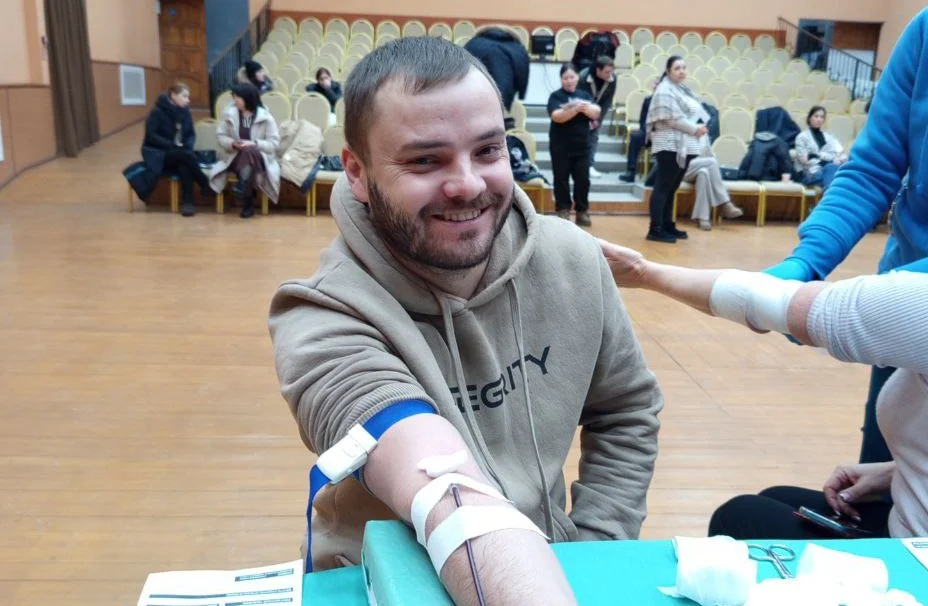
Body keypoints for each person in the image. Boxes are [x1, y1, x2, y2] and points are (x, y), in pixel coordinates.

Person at [268, 38, 663, 605]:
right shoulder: (321, 315)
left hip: (544, 571)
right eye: (424, 160)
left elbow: (625, 409)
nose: (469, 184)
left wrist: (596, 545)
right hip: (383, 585)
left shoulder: (572, 259)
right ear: (356, 171)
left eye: (487, 150)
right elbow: (441, 485)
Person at [598, 237, 928, 540]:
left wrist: (643, 272)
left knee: (740, 517)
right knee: (779, 499)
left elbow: (770, 302)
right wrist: (892, 472)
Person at [765, 2, 928, 466]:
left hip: (917, 298)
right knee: (877, 467)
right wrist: (806, 260)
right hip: (902, 297)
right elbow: (873, 169)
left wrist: (857, 304)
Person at [646, 56, 709, 243]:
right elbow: (672, 119)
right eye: (677, 68)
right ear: (668, 71)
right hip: (668, 144)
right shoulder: (664, 89)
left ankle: (667, 224)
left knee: (672, 187)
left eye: (683, 67)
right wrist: (695, 129)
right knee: (663, 186)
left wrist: (698, 126)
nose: (681, 71)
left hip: (683, 144)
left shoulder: (681, 89)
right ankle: (655, 228)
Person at [209, 84, 280, 218]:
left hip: (260, 157)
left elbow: (274, 144)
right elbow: (221, 136)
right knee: (247, 154)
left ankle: (244, 192)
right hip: (234, 155)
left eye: (238, 97)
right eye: (234, 97)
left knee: (249, 151)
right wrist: (233, 143)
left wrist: (255, 144)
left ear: (248, 98)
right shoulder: (229, 114)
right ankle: (245, 194)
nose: (235, 100)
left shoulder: (266, 117)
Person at [140, 83, 210, 217]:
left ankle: (188, 203)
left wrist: (188, 145)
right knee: (186, 156)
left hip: (180, 152)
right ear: (173, 95)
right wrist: (172, 145)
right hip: (159, 153)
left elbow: (190, 133)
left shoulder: (185, 111)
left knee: (184, 164)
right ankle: (204, 183)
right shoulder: (157, 112)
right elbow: (151, 135)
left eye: (188, 97)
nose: (187, 100)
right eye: (184, 96)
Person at [548, 63, 601, 226]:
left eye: (572, 77)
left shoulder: (584, 95)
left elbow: (596, 113)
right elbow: (557, 116)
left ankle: (582, 211)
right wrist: (575, 110)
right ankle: (563, 210)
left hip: (582, 146)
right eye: (565, 78)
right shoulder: (556, 96)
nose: (569, 80)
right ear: (561, 79)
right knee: (561, 179)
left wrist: (584, 109)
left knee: (583, 180)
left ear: (577, 77)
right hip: (560, 146)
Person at [464, 24, 529, 121]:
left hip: (473, 91)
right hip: (505, 92)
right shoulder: (517, 47)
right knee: (496, 118)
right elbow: (522, 71)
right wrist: (521, 92)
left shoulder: (473, 43)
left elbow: (461, 66)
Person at [577, 56, 617, 177]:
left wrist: (598, 118)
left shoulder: (613, 78)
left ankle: (589, 165)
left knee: (593, 137)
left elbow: (608, 101)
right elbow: (582, 98)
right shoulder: (583, 77)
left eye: (611, 72)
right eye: (607, 72)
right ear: (598, 70)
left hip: (597, 112)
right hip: (581, 110)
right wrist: (590, 115)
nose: (610, 75)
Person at [682, 156, 743, 230]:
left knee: (703, 172)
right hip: (679, 168)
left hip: (695, 167)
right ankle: (725, 203)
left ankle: (702, 217)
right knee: (712, 162)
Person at [794, 105, 846, 190]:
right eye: (816, 116)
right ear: (809, 118)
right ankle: (831, 193)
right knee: (833, 173)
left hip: (828, 170)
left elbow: (841, 154)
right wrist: (830, 158)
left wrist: (816, 156)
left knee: (831, 170)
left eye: (822, 117)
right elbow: (805, 160)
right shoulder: (802, 137)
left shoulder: (829, 136)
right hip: (810, 173)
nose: (819, 119)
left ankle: (828, 193)